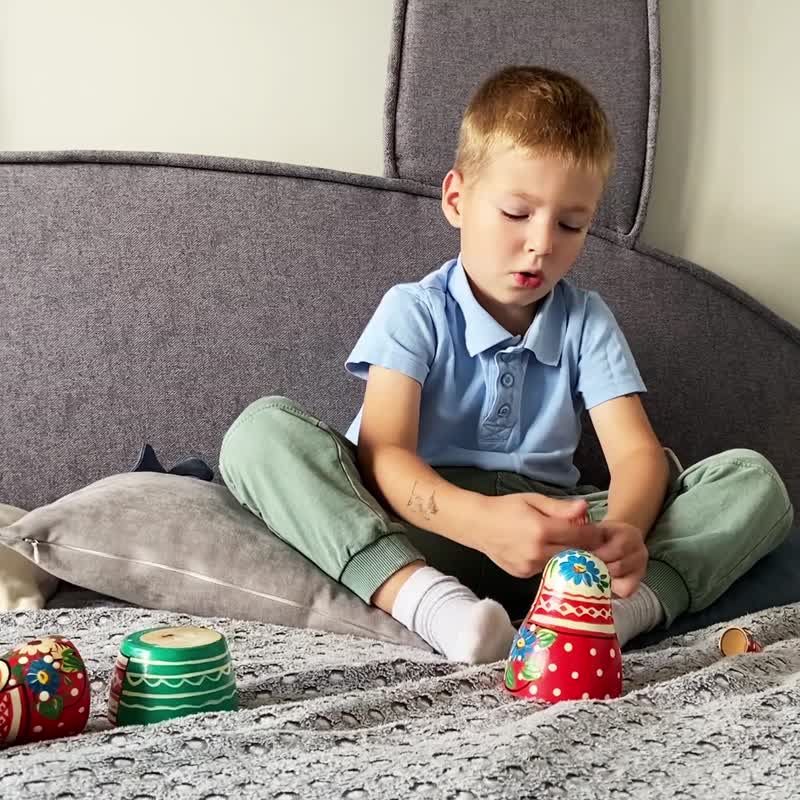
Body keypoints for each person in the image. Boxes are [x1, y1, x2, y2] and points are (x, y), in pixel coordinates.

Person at [219, 66, 795, 663]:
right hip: (422, 527)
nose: (543, 243)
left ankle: (608, 615)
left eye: (571, 224)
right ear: (457, 199)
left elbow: (635, 455)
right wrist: (480, 522)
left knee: (750, 481)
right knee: (261, 432)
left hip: (554, 544)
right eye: (517, 213)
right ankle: (433, 607)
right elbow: (385, 454)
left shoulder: (586, 321)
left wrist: (620, 534)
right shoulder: (415, 310)